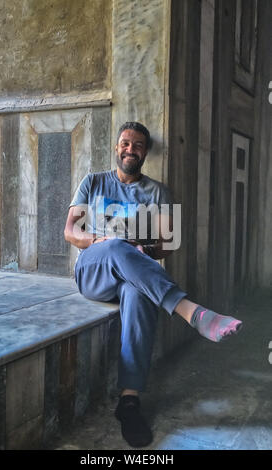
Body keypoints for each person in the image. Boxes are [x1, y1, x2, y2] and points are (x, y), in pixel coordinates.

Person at [64, 121, 242, 448]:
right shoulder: (93, 181)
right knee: (117, 245)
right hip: (94, 270)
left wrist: (144, 248)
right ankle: (193, 313)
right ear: (117, 147)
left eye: (138, 145)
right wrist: (101, 240)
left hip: (134, 269)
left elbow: (167, 244)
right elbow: (71, 232)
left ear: (145, 152)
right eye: (125, 144)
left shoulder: (157, 191)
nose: (131, 150)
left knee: (137, 291)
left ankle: (129, 401)